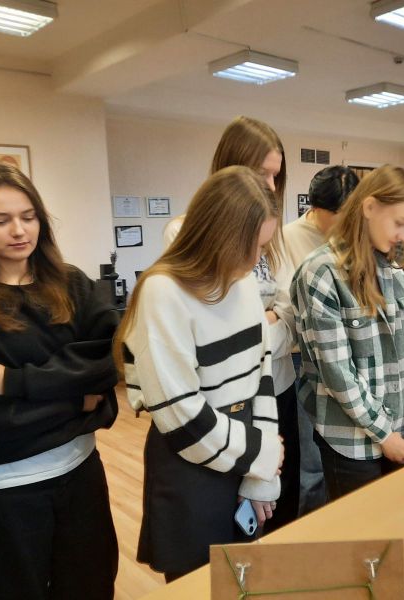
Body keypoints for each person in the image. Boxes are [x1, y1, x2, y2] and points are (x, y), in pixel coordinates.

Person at [0, 161, 119, 600]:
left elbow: (107, 364)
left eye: (28, 217)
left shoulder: (72, 284)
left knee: (92, 584)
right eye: (0, 220)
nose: (18, 230)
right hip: (8, 489)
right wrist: (74, 399)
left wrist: (14, 383)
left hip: (81, 472)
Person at [116, 166, 284, 581]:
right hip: (191, 461)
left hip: (242, 447)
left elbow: (262, 375)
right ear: (217, 235)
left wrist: (260, 475)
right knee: (197, 584)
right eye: (251, 247)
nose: (256, 260)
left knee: (242, 579)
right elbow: (180, 414)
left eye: (263, 247)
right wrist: (261, 457)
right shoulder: (163, 291)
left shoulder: (243, 282)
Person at [165, 115, 299, 532]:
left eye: (276, 176)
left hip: (277, 390)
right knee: (231, 525)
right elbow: (209, 336)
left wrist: (260, 327)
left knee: (279, 511)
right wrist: (266, 323)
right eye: (262, 173)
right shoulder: (184, 231)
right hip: (224, 405)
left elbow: (293, 316)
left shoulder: (273, 234)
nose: (271, 187)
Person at [291, 164, 404, 501]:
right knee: (361, 530)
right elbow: (337, 373)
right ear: (369, 207)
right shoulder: (321, 272)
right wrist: (385, 435)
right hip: (352, 442)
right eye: (399, 223)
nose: (403, 236)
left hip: (400, 430)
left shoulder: (393, 270)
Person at [284, 165, 360, 515]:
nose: (347, 225)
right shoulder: (287, 238)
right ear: (316, 208)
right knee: (310, 456)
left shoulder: (355, 238)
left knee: (341, 447)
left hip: (346, 353)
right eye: (340, 216)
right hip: (302, 358)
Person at [284, 165, 360, 267]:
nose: (347, 222)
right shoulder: (287, 238)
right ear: (315, 207)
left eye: (351, 213)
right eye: (338, 212)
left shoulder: (353, 233)